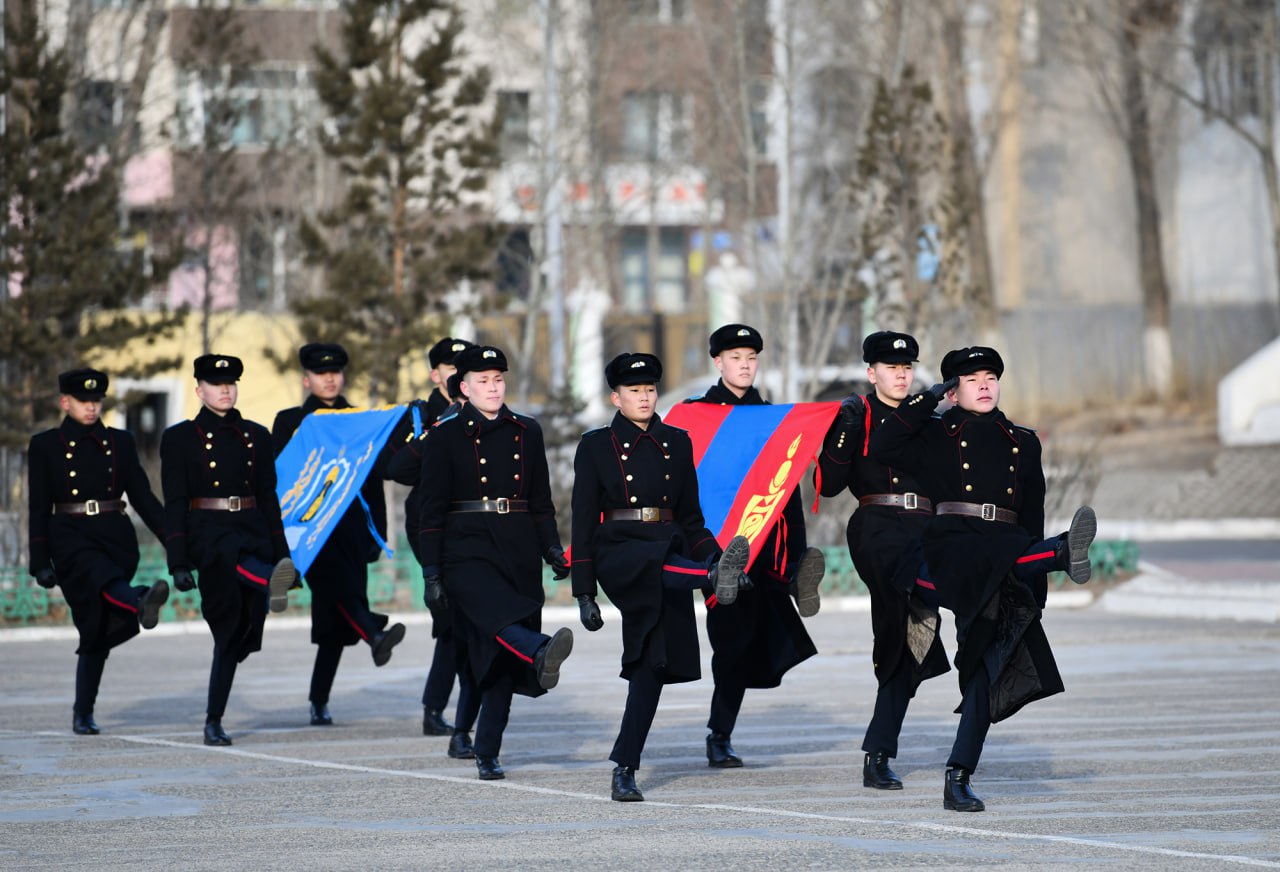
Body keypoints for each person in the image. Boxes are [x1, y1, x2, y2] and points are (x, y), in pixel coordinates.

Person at [870, 345, 1097, 812]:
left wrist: (1035, 589)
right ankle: (1058, 553)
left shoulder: (1023, 440)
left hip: (1008, 550)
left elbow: (1030, 513)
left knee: (985, 665)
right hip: (951, 544)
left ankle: (959, 773)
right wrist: (928, 398)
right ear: (955, 390)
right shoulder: (935, 432)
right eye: (972, 379)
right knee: (1002, 561)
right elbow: (885, 444)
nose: (985, 385)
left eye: (991, 376)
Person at [571, 351, 752, 802]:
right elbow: (579, 522)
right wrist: (583, 592)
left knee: (650, 666)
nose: (645, 397)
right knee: (663, 562)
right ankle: (712, 578)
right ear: (616, 397)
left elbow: (691, 520)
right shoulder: (595, 445)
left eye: (650, 389)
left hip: (669, 553)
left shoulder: (677, 441)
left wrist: (712, 555)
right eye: (634, 390)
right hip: (620, 553)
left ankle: (625, 766)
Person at [416, 345, 574, 781]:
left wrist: (551, 550)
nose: (492, 387)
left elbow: (541, 502)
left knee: (499, 656)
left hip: (518, 549)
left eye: (498, 379)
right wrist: (432, 572)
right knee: (498, 624)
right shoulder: (445, 436)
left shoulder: (527, 430)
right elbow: (431, 511)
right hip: (465, 549)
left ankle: (486, 750)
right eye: (482, 381)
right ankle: (541, 649)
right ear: (464, 388)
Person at [683, 324, 825, 767]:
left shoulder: (773, 417)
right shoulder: (694, 415)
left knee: (752, 642)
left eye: (751, 358)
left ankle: (797, 578)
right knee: (731, 643)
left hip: (766, 547)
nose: (744, 365)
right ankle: (718, 733)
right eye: (735, 357)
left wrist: (798, 552)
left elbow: (787, 490)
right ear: (718, 362)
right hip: (720, 548)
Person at [815, 331, 950, 790]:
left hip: (926, 531)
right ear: (871, 372)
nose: (901, 374)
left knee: (907, 645)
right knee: (906, 622)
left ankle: (878, 750)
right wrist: (845, 431)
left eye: (907, 367)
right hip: (878, 528)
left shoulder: (928, 419)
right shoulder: (857, 414)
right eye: (890, 367)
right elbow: (828, 484)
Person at [160, 354, 296, 746]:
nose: (225, 389)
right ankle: (271, 581)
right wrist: (178, 561)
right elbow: (174, 501)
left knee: (236, 638)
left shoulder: (255, 435)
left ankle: (213, 720)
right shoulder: (180, 438)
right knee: (231, 573)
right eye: (216, 384)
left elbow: (269, 499)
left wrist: (284, 554)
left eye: (231, 383)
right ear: (199, 389)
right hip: (208, 534)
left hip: (252, 529)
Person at [27, 368, 170, 735]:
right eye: (83, 401)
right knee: (97, 576)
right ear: (65, 402)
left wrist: (176, 539)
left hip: (115, 535)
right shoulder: (46, 445)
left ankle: (83, 712)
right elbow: (38, 507)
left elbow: (142, 496)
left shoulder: (120, 442)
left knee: (95, 632)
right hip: (69, 537)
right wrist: (40, 562)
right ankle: (140, 600)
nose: (91, 407)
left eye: (96, 401)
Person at [272, 342, 406, 727]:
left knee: (334, 620)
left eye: (335, 372)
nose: (329, 378)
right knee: (336, 591)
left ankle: (319, 700)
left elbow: (374, 478)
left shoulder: (360, 419)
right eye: (320, 373)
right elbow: (278, 481)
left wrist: (377, 532)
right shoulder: (289, 422)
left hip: (349, 528)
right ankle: (373, 633)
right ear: (306, 379)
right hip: (308, 531)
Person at [384, 337, 478, 744]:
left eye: (464, 367)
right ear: (435, 374)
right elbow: (395, 468)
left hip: (474, 527)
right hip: (430, 526)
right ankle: (438, 708)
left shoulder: (484, 411)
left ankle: (439, 708)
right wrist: (437, 432)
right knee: (453, 617)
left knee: (460, 620)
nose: (456, 374)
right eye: (449, 367)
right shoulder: (420, 417)